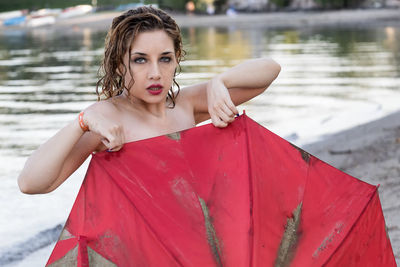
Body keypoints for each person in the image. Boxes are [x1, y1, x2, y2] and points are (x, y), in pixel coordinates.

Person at [17, 6, 280, 194]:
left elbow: (270, 70)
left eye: (165, 58)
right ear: (119, 64)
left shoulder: (185, 103)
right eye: (140, 59)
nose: (155, 73)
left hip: (191, 238)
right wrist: (82, 123)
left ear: (177, 58)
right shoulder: (107, 118)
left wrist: (219, 82)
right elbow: (33, 183)